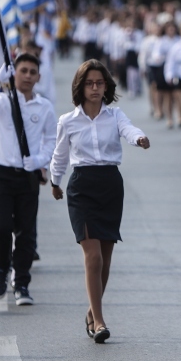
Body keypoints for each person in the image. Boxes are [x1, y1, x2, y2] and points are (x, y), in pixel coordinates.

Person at [50, 60, 150, 342]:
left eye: (99, 83)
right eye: (89, 83)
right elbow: (60, 155)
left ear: (107, 87)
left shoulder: (115, 115)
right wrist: (55, 182)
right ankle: (99, 321)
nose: (95, 88)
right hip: (81, 187)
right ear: (80, 87)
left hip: (109, 185)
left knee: (105, 260)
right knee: (92, 256)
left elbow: (130, 130)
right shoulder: (67, 121)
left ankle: (91, 311)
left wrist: (139, 138)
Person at [0, 55, 57, 306]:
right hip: (1, 174)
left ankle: (22, 282)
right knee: (1, 227)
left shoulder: (44, 107)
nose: (28, 76)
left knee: (27, 231)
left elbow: (52, 139)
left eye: (32, 72)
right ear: (14, 74)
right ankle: (1, 270)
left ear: (38, 77)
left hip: (28, 174)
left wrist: (41, 160)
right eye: (23, 71)